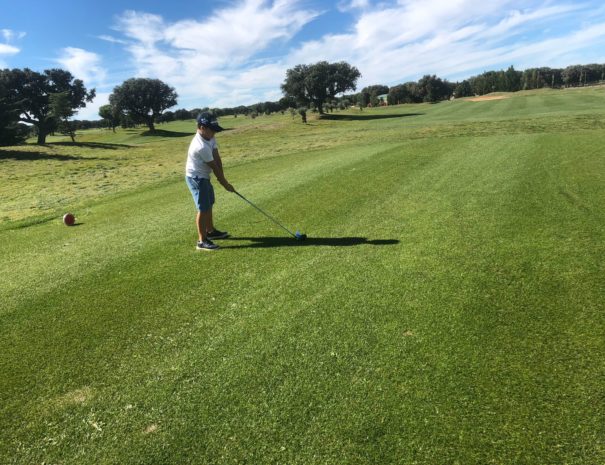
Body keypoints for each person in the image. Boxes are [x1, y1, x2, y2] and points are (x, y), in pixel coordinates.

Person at [185, 112, 235, 251]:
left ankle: (211, 231)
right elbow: (214, 167)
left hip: (204, 176)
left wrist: (224, 179)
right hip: (196, 177)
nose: (214, 133)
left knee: (209, 203)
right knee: (203, 208)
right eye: (211, 130)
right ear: (202, 127)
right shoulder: (200, 145)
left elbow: (217, 159)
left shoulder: (210, 137)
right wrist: (225, 184)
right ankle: (201, 241)